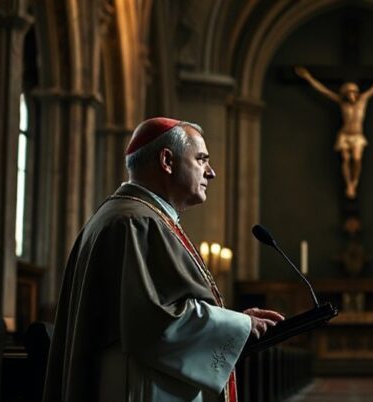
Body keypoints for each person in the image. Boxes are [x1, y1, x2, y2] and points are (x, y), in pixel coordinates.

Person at [44, 117, 284, 402]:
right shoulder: (134, 222)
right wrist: (240, 326)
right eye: (201, 159)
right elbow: (153, 322)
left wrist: (237, 320)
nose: (212, 172)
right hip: (137, 385)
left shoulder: (135, 216)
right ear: (167, 161)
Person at [295, 64, 373, 199]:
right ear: (345, 94)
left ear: (357, 92)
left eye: (353, 92)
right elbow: (324, 91)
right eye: (348, 93)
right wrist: (308, 77)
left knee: (357, 160)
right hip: (345, 135)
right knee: (346, 159)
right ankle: (349, 184)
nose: (351, 95)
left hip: (357, 136)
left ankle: (355, 182)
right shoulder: (342, 103)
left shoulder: (363, 100)